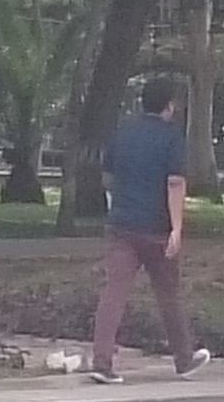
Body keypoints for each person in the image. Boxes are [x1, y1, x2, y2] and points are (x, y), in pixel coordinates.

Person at [89, 78, 210, 384]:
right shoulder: (171, 138)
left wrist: (119, 203)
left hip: (122, 225)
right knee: (168, 293)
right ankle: (184, 359)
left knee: (113, 291)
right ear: (169, 105)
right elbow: (175, 183)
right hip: (156, 227)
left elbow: (108, 175)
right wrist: (177, 228)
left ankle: (102, 361)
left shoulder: (123, 133)